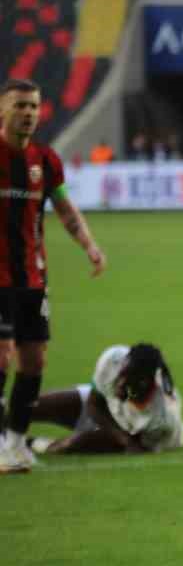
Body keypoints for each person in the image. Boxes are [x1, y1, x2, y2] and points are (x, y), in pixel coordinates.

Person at [0, 79, 107, 475]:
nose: (28, 113)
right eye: (20, 106)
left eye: (34, 106)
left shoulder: (45, 161)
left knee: (34, 360)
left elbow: (63, 208)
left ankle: (14, 441)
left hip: (32, 277)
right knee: (2, 355)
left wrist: (90, 246)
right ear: (2, 110)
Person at [27, 343, 183, 455]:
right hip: (104, 409)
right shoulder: (114, 358)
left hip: (128, 435)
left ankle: (31, 443)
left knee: (69, 445)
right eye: (122, 373)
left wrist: (118, 437)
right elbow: (93, 403)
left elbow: (131, 445)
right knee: (28, 405)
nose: (119, 382)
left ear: (144, 383)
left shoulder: (161, 420)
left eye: (128, 379)